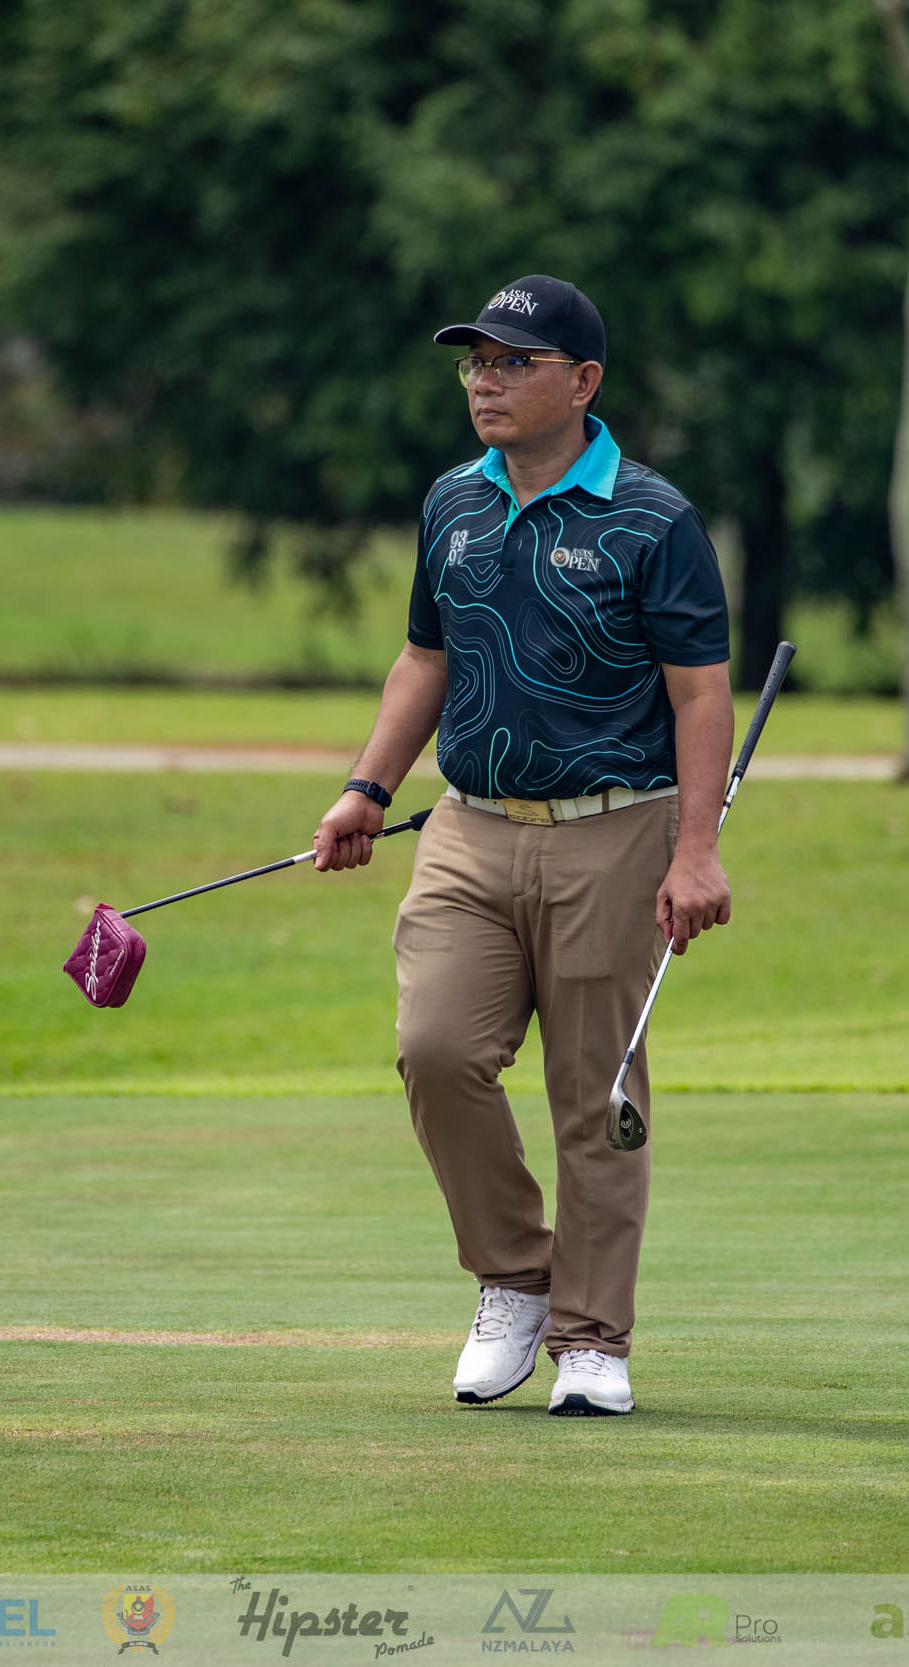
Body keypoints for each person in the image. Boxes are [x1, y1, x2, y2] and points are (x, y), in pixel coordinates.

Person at [311, 274, 734, 1417]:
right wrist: (364, 787)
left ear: (582, 381)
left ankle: (592, 1338)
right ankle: (515, 1275)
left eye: (513, 362)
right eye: (475, 362)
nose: (484, 382)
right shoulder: (452, 501)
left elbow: (699, 693)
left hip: (616, 830)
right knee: (436, 1048)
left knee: (595, 1093)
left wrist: (694, 850)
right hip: (468, 827)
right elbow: (425, 658)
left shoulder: (651, 518)